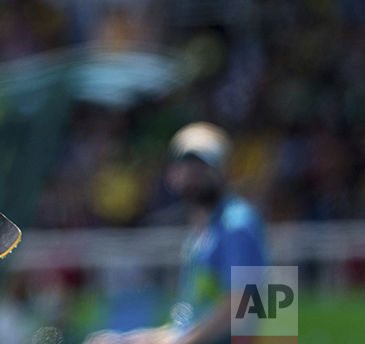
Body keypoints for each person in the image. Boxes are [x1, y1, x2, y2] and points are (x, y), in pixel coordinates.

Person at [85, 122, 268, 344]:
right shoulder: (202, 231)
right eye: (186, 164)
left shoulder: (237, 224)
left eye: (203, 165)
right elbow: (188, 326)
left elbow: (243, 307)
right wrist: (131, 339)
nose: (194, 173)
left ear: (224, 169)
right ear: (172, 174)